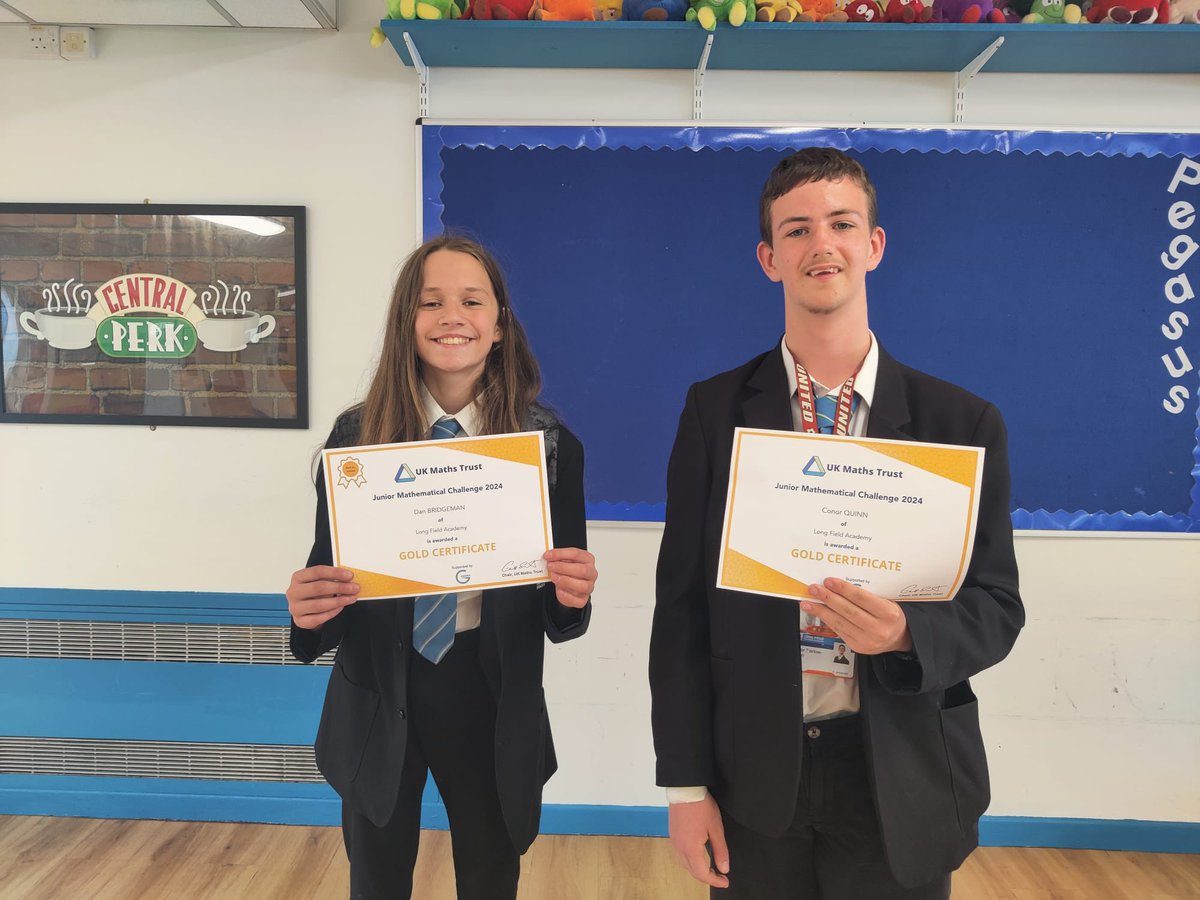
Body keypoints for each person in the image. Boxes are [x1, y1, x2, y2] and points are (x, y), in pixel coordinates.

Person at [649, 148, 1023, 898]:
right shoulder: (714, 412)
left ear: (873, 245)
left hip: (899, 773)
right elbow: (682, 612)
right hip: (755, 776)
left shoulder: (960, 422)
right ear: (769, 258)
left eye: (842, 223)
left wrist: (905, 634)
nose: (821, 244)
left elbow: (996, 609)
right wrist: (685, 789)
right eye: (796, 230)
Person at [286, 235, 598, 900]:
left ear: (499, 324)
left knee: (489, 876)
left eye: (471, 300)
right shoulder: (355, 439)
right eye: (430, 302)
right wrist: (307, 610)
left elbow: (556, 611)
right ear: (406, 323)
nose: (451, 315)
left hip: (488, 690)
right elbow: (327, 580)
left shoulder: (549, 450)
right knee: (376, 878)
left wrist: (571, 597)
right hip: (379, 689)